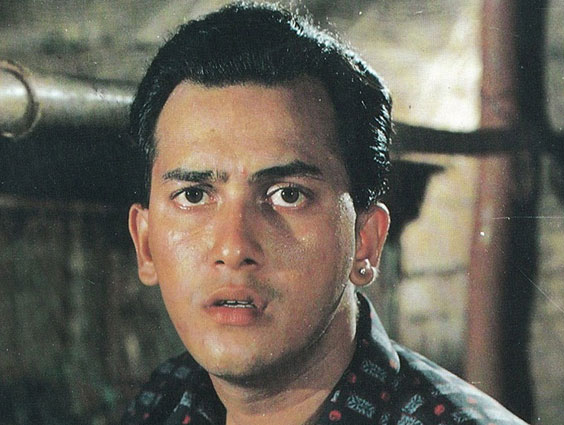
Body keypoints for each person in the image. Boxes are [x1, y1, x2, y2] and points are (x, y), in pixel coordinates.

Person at [123, 2, 527, 424]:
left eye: (288, 195)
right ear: (145, 244)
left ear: (365, 241)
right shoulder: (164, 402)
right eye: (193, 196)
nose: (234, 248)